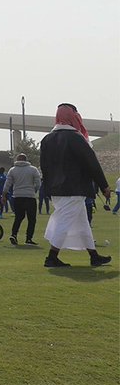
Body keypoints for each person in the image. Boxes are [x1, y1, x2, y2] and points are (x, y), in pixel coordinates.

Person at [40, 103, 111, 268]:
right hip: (74, 188)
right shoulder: (76, 138)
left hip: (56, 189)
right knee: (64, 222)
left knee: (82, 223)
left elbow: (45, 167)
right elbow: (92, 163)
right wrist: (104, 186)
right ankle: (51, 257)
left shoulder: (47, 139)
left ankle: (94, 256)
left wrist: (48, 188)